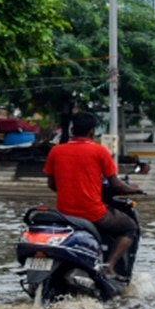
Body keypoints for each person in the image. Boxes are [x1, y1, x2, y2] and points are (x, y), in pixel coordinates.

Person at [43, 111, 143, 279]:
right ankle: (109, 267)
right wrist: (131, 189)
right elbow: (116, 184)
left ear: (72, 130)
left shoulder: (56, 152)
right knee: (130, 227)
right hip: (93, 213)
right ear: (92, 132)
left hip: (64, 214)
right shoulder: (99, 152)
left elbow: (52, 185)